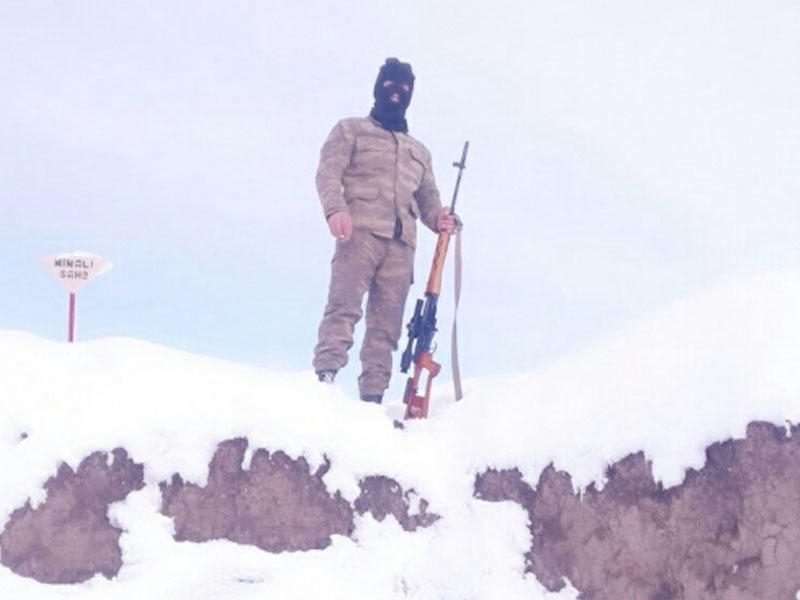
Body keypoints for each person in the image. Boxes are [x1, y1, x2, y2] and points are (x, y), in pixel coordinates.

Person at [312, 57, 456, 404]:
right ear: (379, 87)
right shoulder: (350, 130)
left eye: (405, 87)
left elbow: (428, 201)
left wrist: (440, 219)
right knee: (343, 308)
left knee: (386, 329)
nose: (398, 92)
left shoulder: (419, 152)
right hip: (358, 234)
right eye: (392, 84)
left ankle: (372, 400)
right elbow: (328, 174)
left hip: (401, 247)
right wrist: (335, 210)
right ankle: (323, 385)